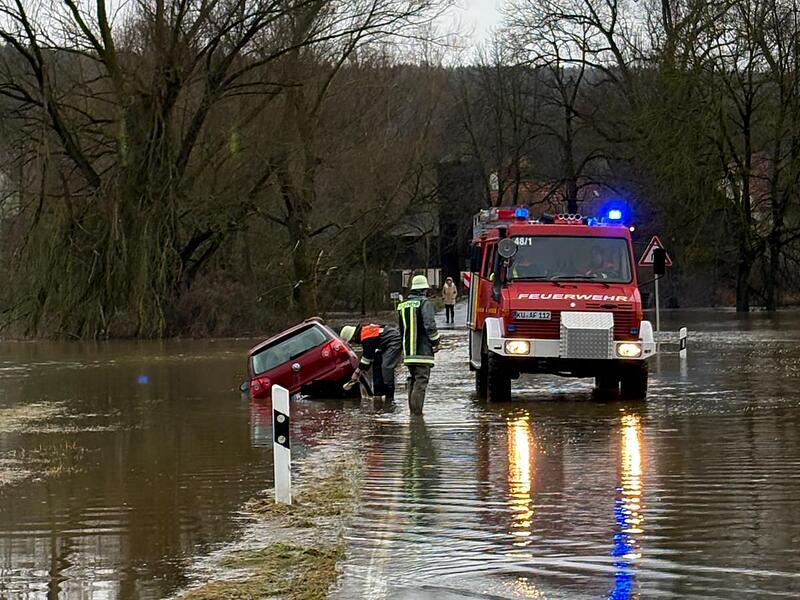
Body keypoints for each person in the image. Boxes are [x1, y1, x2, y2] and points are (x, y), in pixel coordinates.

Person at [397, 275, 441, 415]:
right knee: (421, 381)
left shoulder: (402, 305)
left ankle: (412, 412)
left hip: (408, 352)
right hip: (423, 351)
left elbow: (401, 330)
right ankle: (417, 415)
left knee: (413, 379)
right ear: (423, 289)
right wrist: (436, 342)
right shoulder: (424, 303)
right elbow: (430, 325)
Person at [340, 323, 402, 401]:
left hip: (394, 341)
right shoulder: (364, 332)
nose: (353, 343)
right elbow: (369, 356)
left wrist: (357, 373)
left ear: (353, 337)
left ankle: (389, 395)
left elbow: (366, 359)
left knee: (386, 367)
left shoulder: (366, 337)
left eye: (351, 342)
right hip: (386, 342)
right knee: (377, 363)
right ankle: (379, 394)